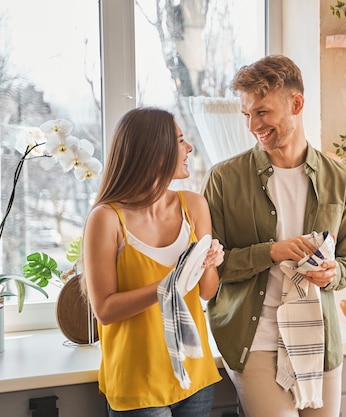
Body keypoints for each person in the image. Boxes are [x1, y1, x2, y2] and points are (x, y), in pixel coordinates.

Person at [202, 54, 346, 417]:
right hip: (254, 341)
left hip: (319, 342)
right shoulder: (223, 180)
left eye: (262, 112)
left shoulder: (341, 180)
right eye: (246, 114)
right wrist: (271, 252)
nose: (252, 125)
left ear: (296, 104)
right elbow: (210, 269)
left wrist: (334, 273)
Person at [82, 107, 223, 417]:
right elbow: (104, 310)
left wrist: (209, 260)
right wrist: (168, 285)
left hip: (195, 376)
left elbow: (206, 292)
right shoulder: (106, 219)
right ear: (154, 152)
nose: (189, 148)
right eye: (181, 140)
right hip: (137, 383)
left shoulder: (194, 205)